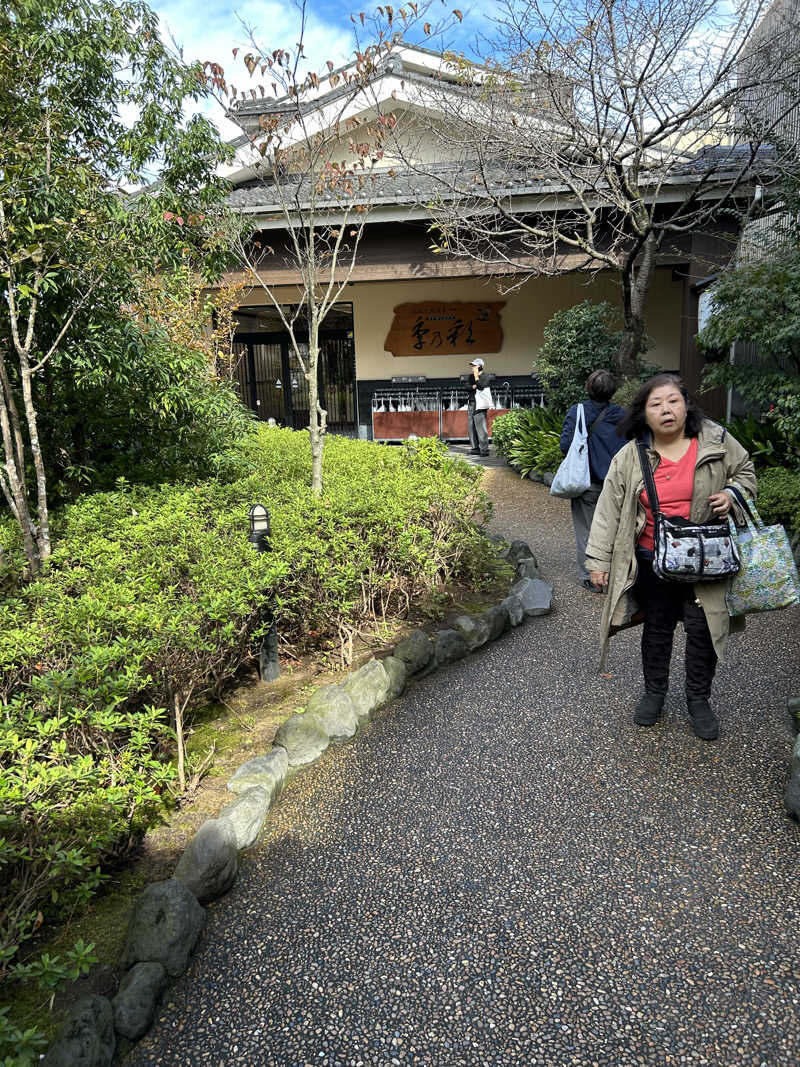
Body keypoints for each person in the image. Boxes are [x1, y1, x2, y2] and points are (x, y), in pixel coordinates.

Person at [585, 374, 757, 741]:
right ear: (643, 414)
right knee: (657, 627)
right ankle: (654, 693)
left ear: (686, 405)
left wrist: (732, 493)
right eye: (656, 404)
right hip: (652, 559)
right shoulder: (631, 454)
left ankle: (698, 699)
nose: (666, 409)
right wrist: (598, 559)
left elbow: (746, 472)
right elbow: (609, 508)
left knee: (703, 630)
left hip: (706, 559)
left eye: (673, 401)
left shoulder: (716, 439)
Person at [559, 369, 626, 591]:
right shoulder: (623, 415)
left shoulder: (578, 412)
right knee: (615, 529)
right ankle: (615, 576)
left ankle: (591, 577)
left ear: (588, 388)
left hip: (587, 482)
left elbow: (565, 445)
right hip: (617, 484)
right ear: (613, 391)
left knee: (586, 530)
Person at [466, 357, 492, 457]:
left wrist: (476, 378)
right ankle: (475, 448)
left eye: (474, 366)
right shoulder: (470, 377)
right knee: (471, 426)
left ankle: (484, 450)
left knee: (481, 427)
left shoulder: (485, 376)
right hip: (471, 403)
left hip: (480, 405)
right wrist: (473, 385)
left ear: (480, 366)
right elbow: (466, 387)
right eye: (472, 366)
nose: (472, 367)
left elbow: (481, 386)